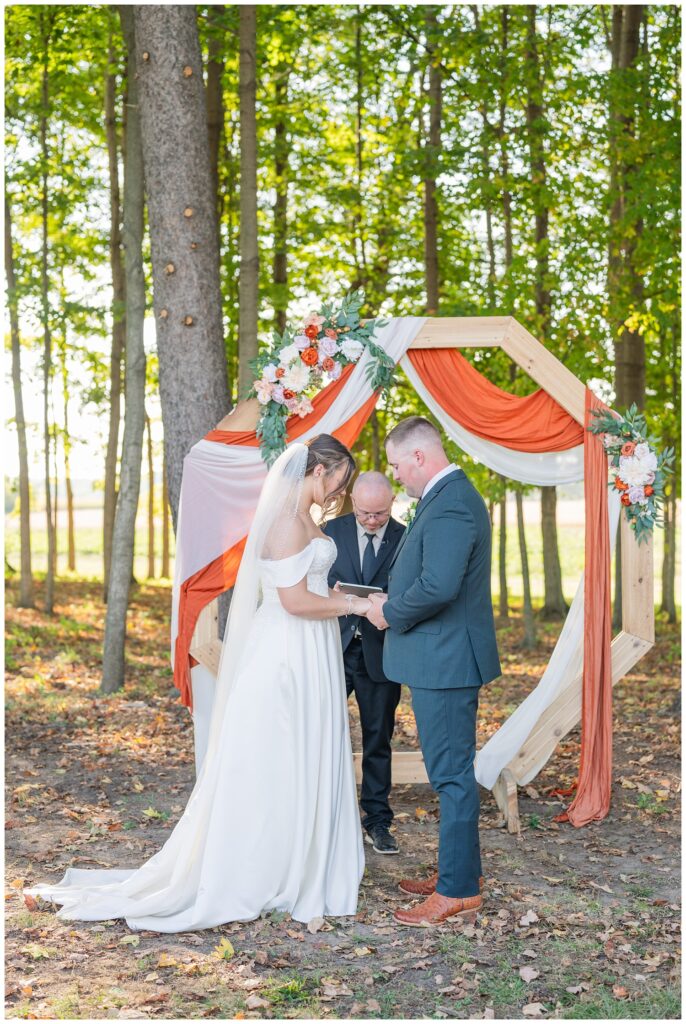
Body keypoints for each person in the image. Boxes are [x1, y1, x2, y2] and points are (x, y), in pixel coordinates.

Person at [27, 435, 371, 930]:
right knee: (280, 753)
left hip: (309, 647)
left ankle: (303, 854)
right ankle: (273, 863)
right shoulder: (283, 523)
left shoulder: (304, 521)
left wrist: (333, 592)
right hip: (286, 653)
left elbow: (303, 587)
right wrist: (355, 605)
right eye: (340, 479)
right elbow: (293, 603)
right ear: (321, 470)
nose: (341, 490)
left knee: (303, 748)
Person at [366, 417, 501, 927]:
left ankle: (458, 891)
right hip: (438, 656)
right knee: (451, 773)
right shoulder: (447, 497)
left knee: (450, 776)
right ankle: (459, 872)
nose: (397, 476)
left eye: (399, 466)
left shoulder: (451, 504)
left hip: (445, 662)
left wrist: (389, 612)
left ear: (419, 457)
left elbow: (439, 586)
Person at [324, 472, 405, 855]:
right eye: (364, 512)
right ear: (351, 500)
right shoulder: (329, 531)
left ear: (392, 503)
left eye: (380, 513)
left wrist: (394, 599)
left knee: (378, 739)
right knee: (322, 733)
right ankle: (325, 817)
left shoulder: (405, 536)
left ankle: (377, 821)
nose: (372, 520)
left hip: (382, 654)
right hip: (333, 650)